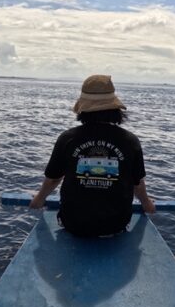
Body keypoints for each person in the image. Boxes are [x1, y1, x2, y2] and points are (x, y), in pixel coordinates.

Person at [30, 74, 155, 236]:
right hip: (115, 224)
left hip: (73, 223)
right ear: (115, 109)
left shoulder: (68, 138)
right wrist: (147, 204)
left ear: (83, 109)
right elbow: (136, 183)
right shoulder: (130, 141)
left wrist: (39, 199)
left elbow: (54, 178)